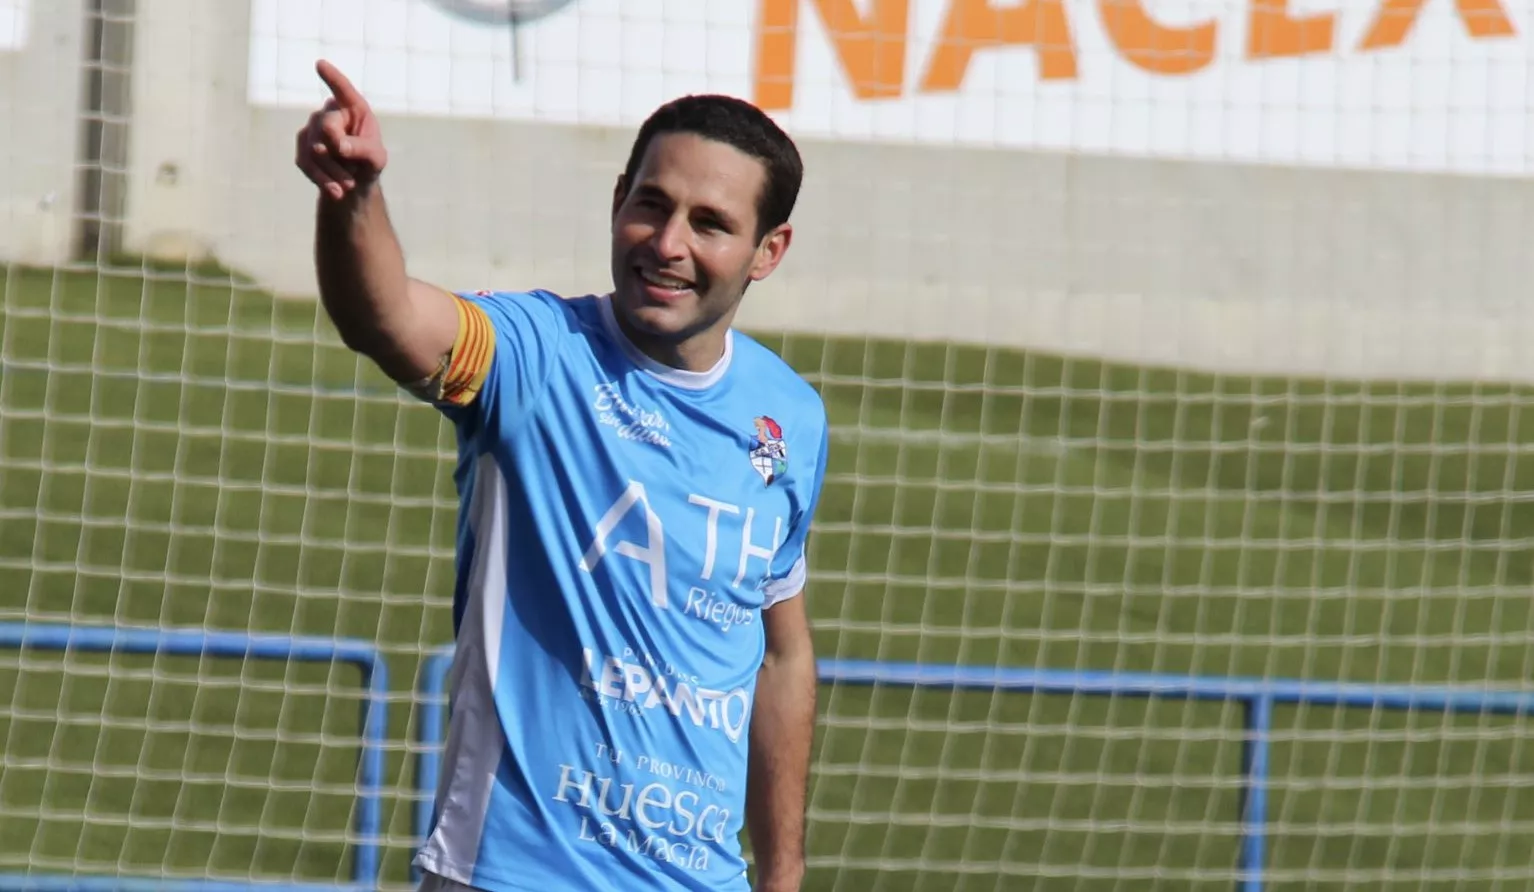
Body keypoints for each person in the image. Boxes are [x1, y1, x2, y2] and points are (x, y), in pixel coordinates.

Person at [294, 59, 828, 892]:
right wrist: (353, 196)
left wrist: (783, 876)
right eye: (651, 204)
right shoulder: (536, 355)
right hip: (512, 873)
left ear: (768, 251)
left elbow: (780, 656)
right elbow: (387, 315)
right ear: (619, 199)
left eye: (710, 223)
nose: (668, 243)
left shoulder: (790, 417)